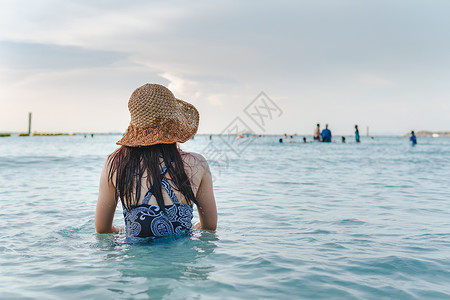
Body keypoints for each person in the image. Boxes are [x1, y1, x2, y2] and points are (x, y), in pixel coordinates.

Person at [95, 84, 217, 239]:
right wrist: (187, 229)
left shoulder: (116, 163)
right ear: (175, 124)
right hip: (180, 258)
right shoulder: (197, 164)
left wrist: (124, 231)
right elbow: (209, 227)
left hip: (135, 259)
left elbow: (102, 229)